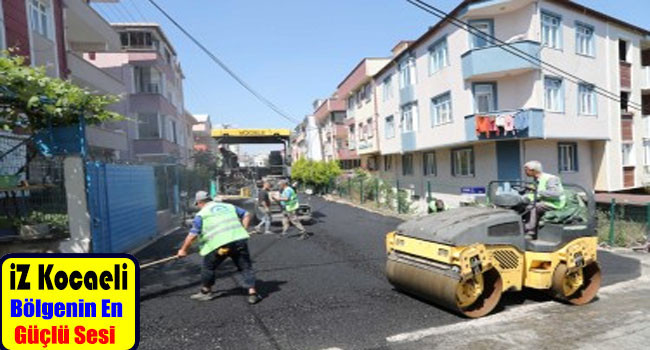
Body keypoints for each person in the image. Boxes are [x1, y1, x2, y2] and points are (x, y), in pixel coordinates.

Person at [176, 191, 263, 304]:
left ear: (200, 202)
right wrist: (243, 229)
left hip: (220, 246)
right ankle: (253, 293)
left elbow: (193, 235)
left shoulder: (202, 214)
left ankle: (206, 292)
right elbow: (246, 214)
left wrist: (183, 250)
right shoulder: (228, 206)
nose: (198, 207)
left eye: (197, 204)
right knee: (245, 267)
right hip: (239, 241)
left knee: (208, 267)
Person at [523, 161, 567, 237]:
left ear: (533, 170)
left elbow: (555, 193)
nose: (525, 172)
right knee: (522, 205)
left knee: (533, 207)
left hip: (554, 203)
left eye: (526, 169)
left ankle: (530, 231)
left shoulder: (551, 178)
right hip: (544, 201)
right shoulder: (536, 179)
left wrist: (537, 190)